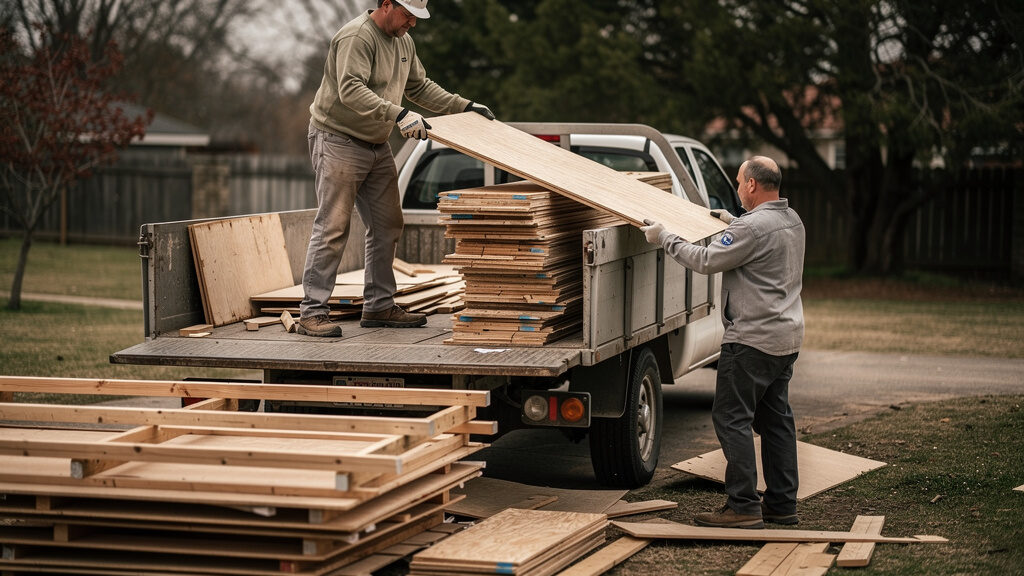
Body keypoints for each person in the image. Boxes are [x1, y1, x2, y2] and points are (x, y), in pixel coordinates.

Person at [298, 0, 494, 337]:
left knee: (388, 224)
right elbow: (350, 91)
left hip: (375, 144)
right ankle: (312, 314)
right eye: (408, 15)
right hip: (338, 139)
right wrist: (399, 115)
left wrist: (463, 106)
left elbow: (419, 86)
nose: (412, 24)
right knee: (333, 227)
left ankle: (378, 306)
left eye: (416, 18)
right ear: (386, 4)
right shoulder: (357, 37)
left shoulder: (403, 40)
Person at [640, 156, 805, 529]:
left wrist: (663, 236)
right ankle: (781, 504)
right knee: (776, 422)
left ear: (751, 185)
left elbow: (704, 260)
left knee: (732, 419)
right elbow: (759, 241)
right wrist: (731, 222)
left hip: (751, 341)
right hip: (785, 338)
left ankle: (743, 507)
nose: (736, 188)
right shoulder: (791, 220)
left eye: (737, 181)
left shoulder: (752, 229)